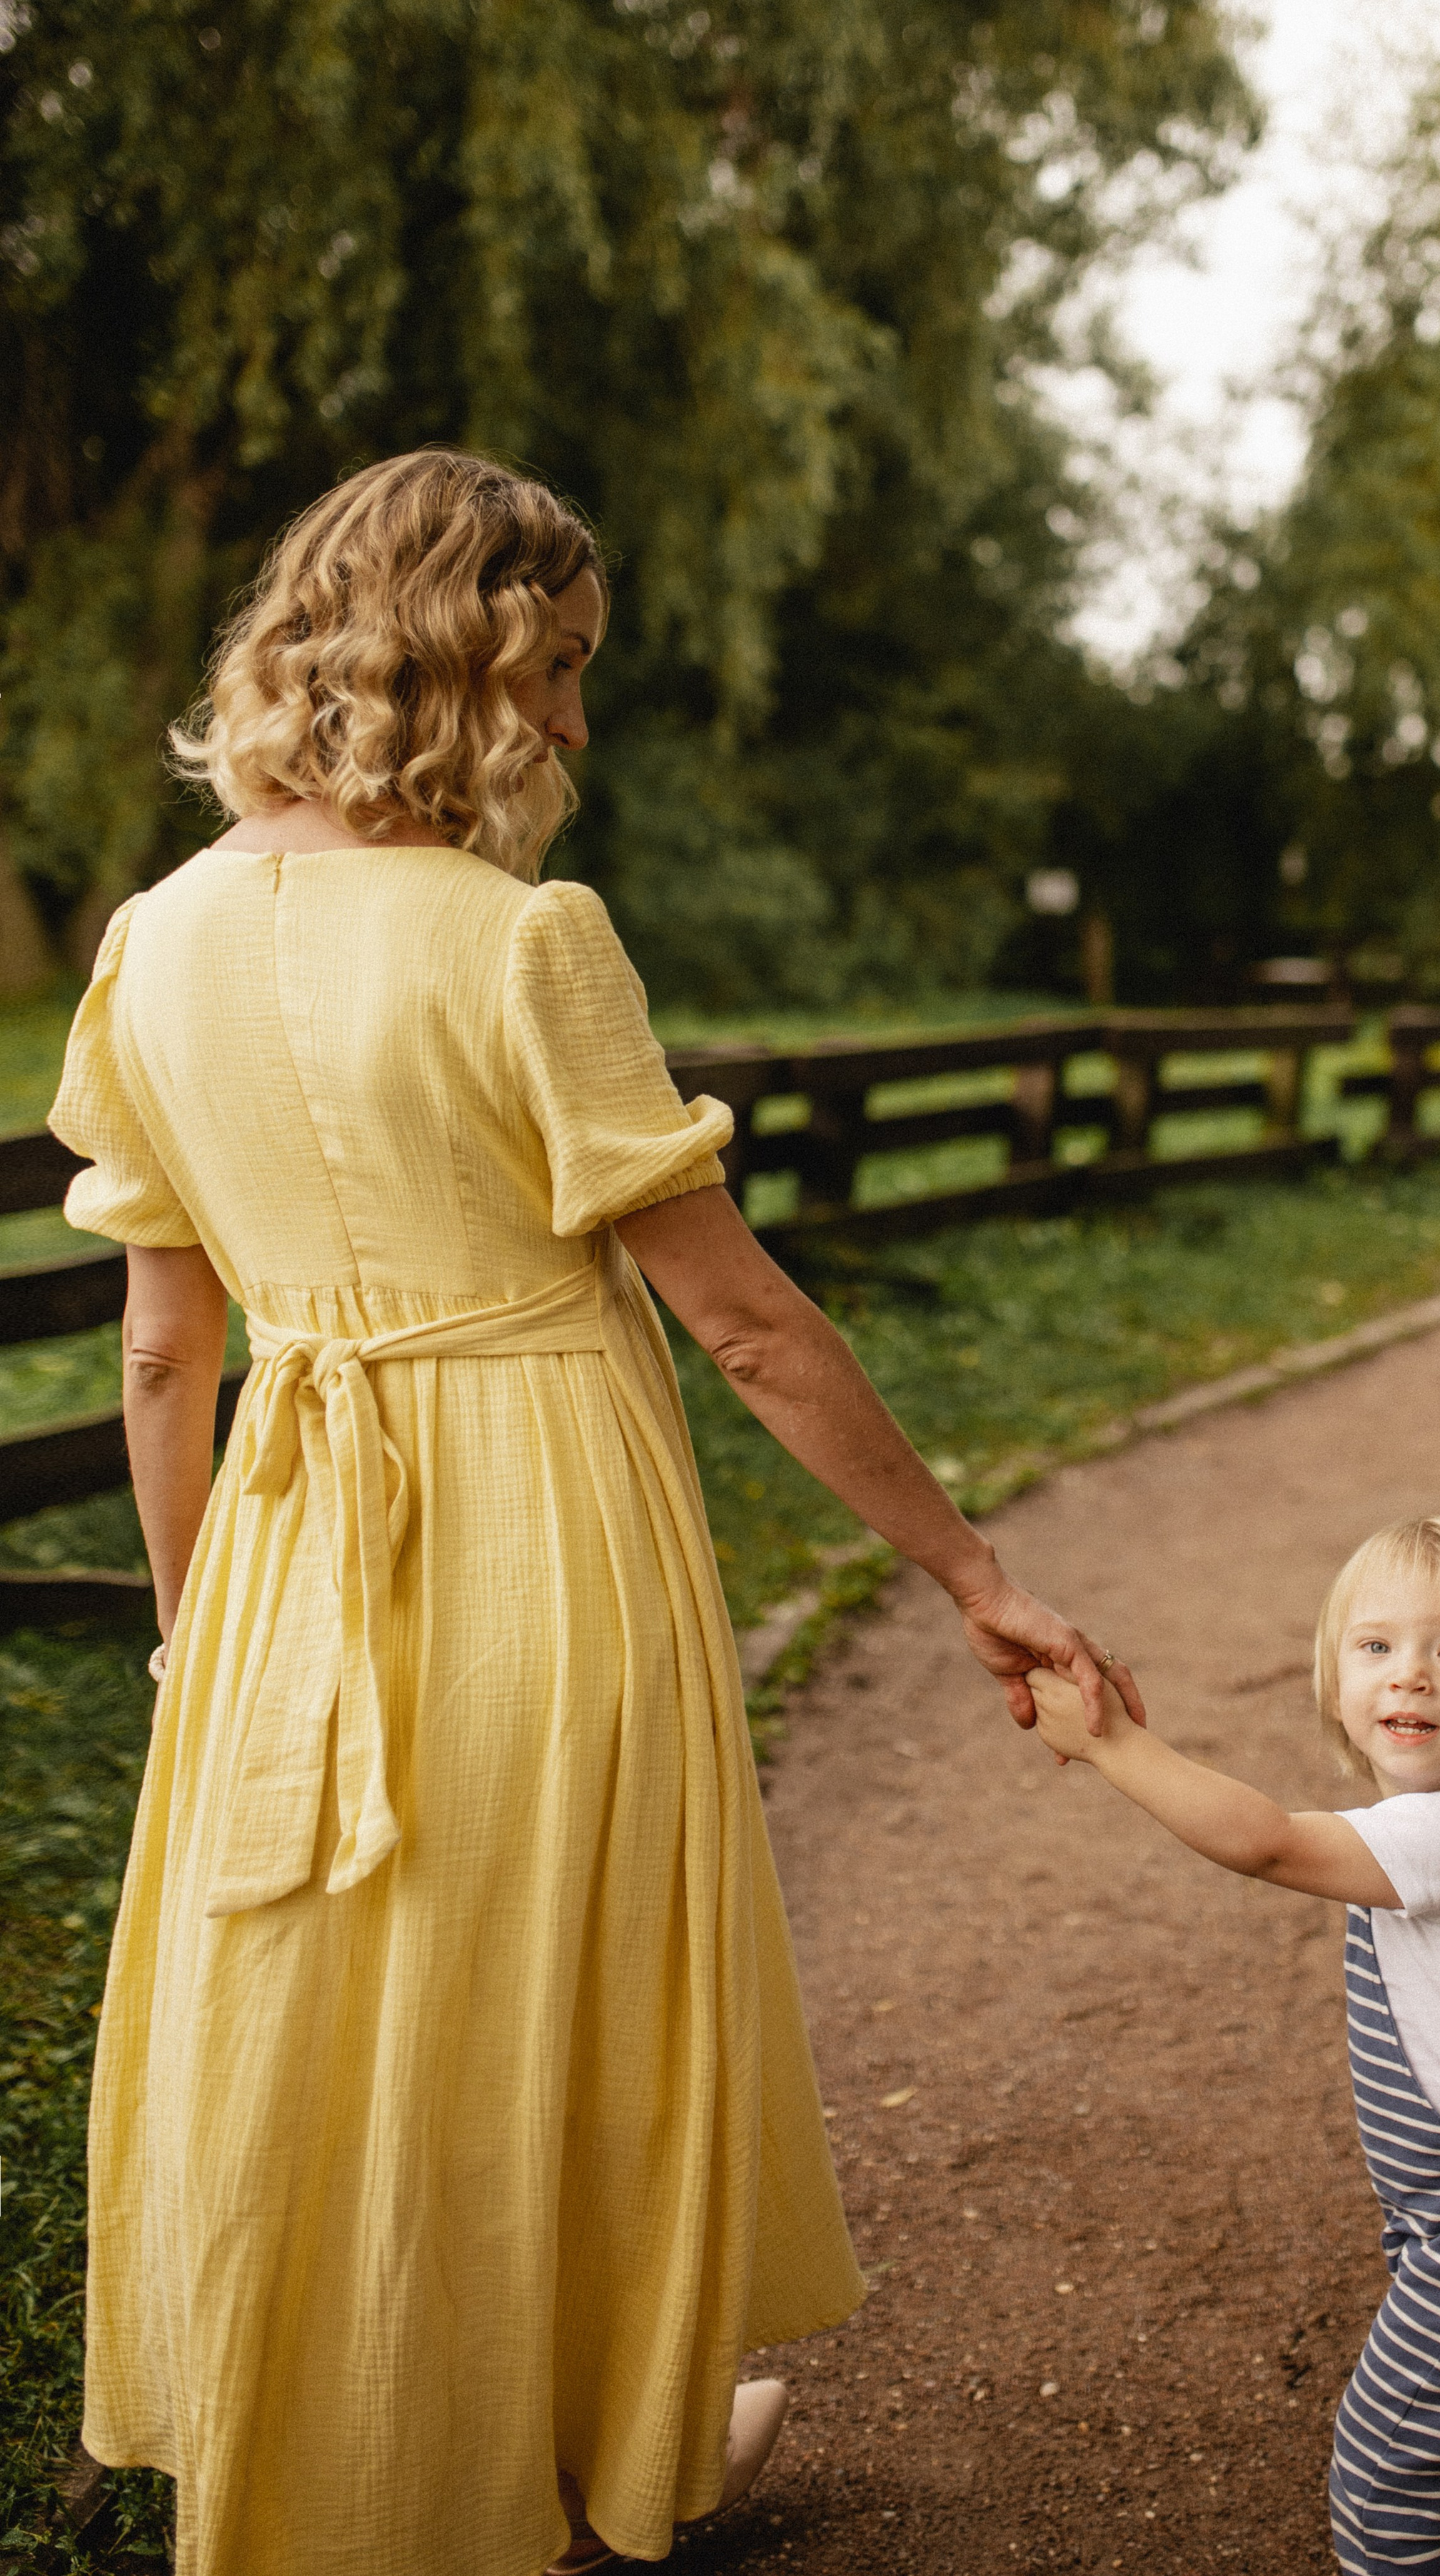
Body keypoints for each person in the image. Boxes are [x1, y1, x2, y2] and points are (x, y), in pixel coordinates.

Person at [49, 448, 1142, 2576]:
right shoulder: (528, 940)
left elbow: (165, 1355)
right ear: (446, 653)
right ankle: (572, 2475)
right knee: (551, 1993)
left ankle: (374, 2461)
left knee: (341, 2004)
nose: (566, 725)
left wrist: (199, 1634)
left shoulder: (147, 947)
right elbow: (741, 1327)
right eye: (550, 670)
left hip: (285, 1544)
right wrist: (973, 1572)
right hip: (542, 1520)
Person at [1029, 1514, 1440, 2576]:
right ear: (1333, 1685)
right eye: (1377, 1648)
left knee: (1386, 2478)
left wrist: (1107, 1743)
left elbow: (1266, 1840)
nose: (1409, 1675)